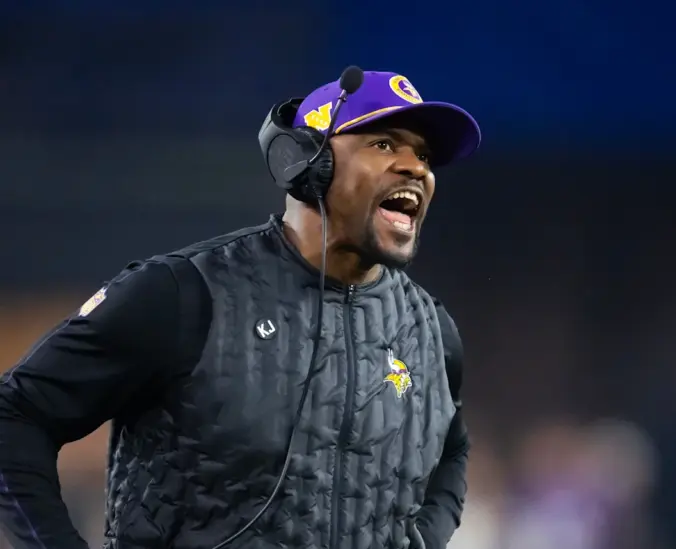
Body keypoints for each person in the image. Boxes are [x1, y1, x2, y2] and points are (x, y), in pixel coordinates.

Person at [0, 68, 481, 549]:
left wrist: (423, 538)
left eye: (423, 155)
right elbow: (16, 416)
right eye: (384, 144)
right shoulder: (184, 294)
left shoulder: (431, 331)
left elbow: (451, 452)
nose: (415, 168)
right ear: (309, 162)